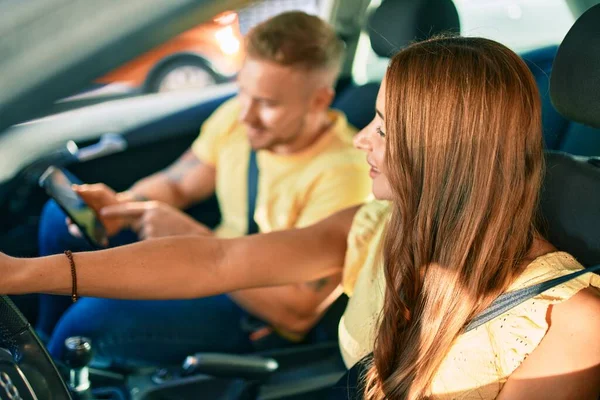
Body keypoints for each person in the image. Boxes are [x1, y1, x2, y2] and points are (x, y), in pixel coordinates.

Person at [4, 36, 600, 399]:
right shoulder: (374, 228)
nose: (363, 139)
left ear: (442, 152)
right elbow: (219, 259)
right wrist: (23, 275)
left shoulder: (570, 322)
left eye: (385, 127)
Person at [36, 11, 371, 365]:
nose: (247, 115)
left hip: (254, 306)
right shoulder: (235, 118)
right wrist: (122, 205)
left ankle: (50, 370)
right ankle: (40, 348)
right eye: (245, 92)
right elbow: (178, 183)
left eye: (269, 104)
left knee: (86, 321)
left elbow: (296, 312)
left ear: (319, 100)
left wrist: (192, 235)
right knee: (60, 219)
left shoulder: (346, 175)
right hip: (208, 257)